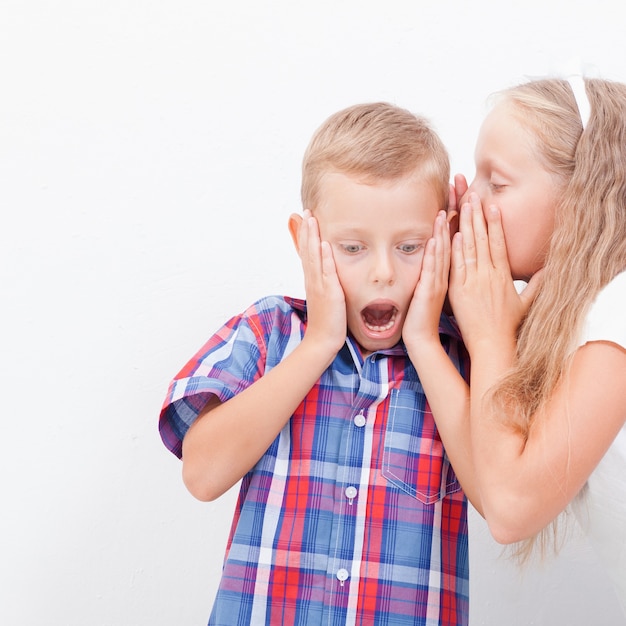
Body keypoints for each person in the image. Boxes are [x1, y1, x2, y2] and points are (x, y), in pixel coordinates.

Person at [158, 102, 472, 625]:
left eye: (411, 247)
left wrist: (426, 339)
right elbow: (203, 475)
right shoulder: (268, 331)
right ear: (306, 240)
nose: (382, 272)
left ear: (446, 237)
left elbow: (501, 497)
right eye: (352, 247)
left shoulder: (457, 359)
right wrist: (319, 343)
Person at [413, 76, 626, 614]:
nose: (468, 204)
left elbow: (510, 508)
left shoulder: (617, 309)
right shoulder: (578, 313)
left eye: (497, 184)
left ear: (583, 195)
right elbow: (494, 485)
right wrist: (424, 340)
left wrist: (489, 338)